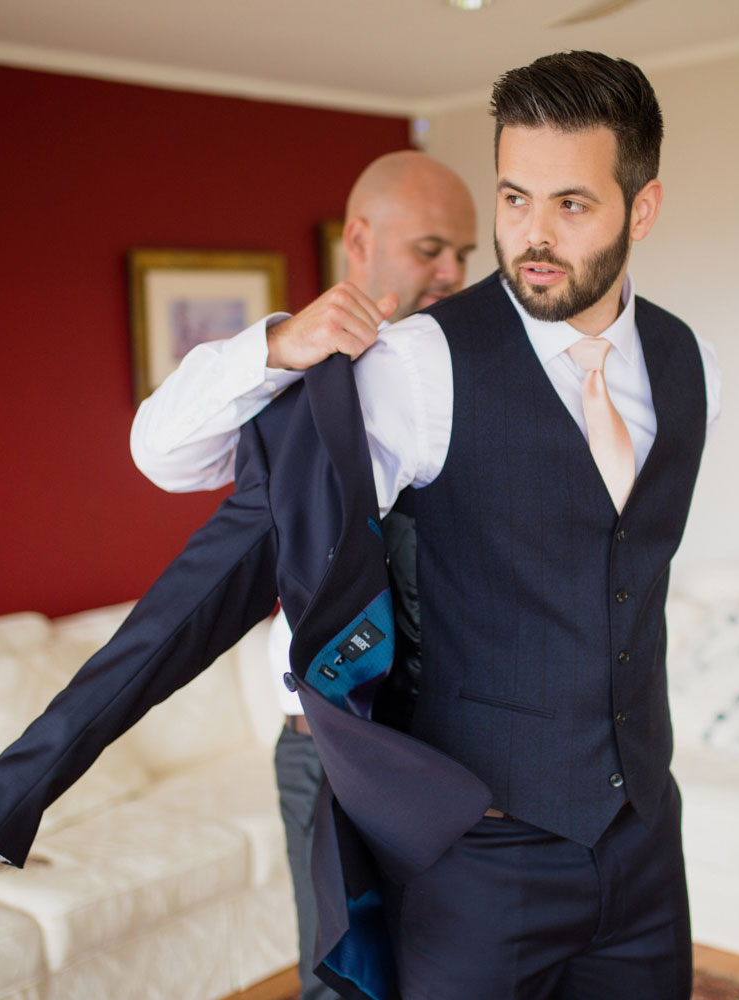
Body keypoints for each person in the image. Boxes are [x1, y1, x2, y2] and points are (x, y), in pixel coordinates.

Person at [0, 50, 720, 1000]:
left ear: (643, 209)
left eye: (572, 205)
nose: (533, 238)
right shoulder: (416, 366)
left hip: (643, 851)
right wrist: (19, 783)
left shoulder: (688, 362)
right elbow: (219, 571)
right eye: (515, 199)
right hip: (481, 855)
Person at [129, 150, 476, 1000]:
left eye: (466, 254)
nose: (453, 272)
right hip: (325, 748)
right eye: (433, 247)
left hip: (454, 741)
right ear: (359, 239)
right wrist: (281, 344)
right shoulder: (287, 381)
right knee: (341, 974)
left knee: (463, 968)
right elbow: (161, 454)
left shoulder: (477, 373)